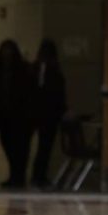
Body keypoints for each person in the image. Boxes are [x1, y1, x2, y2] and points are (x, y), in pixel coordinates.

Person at [0, 39, 34, 188]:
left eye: (10, 50)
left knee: (21, 148)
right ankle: (14, 175)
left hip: (21, 116)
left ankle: (18, 176)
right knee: (8, 145)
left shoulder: (23, 69)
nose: (7, 53)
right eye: (5, 50)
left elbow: (29, 91)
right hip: (3, 115)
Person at [30, 39, 67, 189]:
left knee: (44, 147)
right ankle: (38, 176)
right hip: (45, 114)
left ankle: (39, 176)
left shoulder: (44, 69)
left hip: (45, 113)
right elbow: (52, 92)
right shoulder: (47, 70)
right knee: (44, 147)